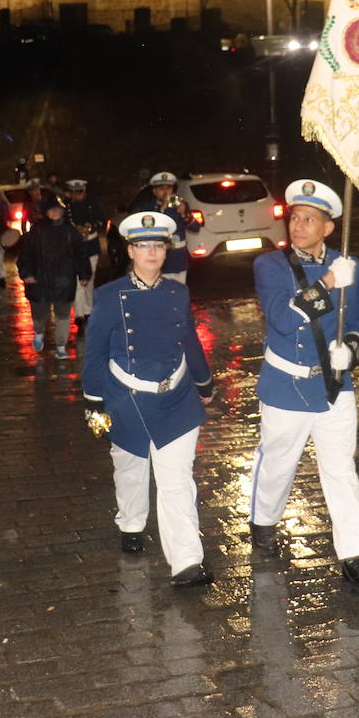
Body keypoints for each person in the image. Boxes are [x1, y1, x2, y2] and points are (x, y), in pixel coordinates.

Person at [246, 179, 359, 594]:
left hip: (333, 386)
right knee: (278, 465)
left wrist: (351, 350)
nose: (299, 225)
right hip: (286, 386)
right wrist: (327, 283)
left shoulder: (348, 264)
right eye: (295, 217)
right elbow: (283, 319)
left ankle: (356, 556)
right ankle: (264, 522)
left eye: (310, 219)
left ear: (328, 227)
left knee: (342, 471)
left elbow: (358, 320)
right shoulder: (270, 266)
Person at [82, 211, 216, 588]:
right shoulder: (109, 296)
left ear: (167, 249)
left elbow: (188, 338)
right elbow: (95, 353)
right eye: (143, 246)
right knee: (130, 468)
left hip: (175, 397)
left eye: (158, 245)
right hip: (126, 398)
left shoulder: (178, 291)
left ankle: (187, 562)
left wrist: (204, 381)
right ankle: (131, 522)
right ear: (130, 250)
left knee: (176, 481)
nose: (152, 252)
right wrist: (93, 400)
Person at [17, 194, 91, 359]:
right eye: (52, 210)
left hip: (64, 278)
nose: (55, 213)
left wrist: (83, 273)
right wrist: (27, 273)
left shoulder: (70, 231)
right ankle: (39, 333)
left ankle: (61, 345)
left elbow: (80, 253)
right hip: (40, 279)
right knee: (39, 313)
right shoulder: (37, 230)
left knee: (63, 314)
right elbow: (26, 254)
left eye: (58, 210)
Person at [131, 172, 200, 284]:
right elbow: (148, 229)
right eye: (161, 189)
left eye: (169, 188)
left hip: (179, 258)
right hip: (159, 259)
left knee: (179, 295)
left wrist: (184, 214)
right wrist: (162, 210)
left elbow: (196, 228)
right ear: (155, 191)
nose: (165, 192)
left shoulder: (181, 205)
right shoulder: (148, 208)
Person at [65, 178, 106, 334]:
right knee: (77, 281)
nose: (78, 195)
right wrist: (76, 229)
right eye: (75, 193)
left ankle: (88, 309)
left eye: (80, 192)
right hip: (74, 246)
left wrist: (90, 226)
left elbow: (102, 219)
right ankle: (80, 314)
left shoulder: (93, 203)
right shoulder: (66, 205)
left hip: (90, 245)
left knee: (89, 279)